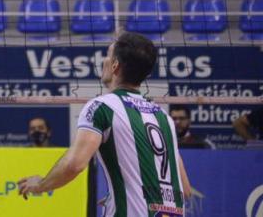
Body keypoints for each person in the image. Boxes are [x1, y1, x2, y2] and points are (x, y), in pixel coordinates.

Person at [19, 32, 193, 216]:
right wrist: (120, 195)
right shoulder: (163, 117)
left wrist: (40, 185)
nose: (104, 61)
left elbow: (74, 164)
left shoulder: (102, 107)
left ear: (115, 66)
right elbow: (186, 189)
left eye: (108, 56)